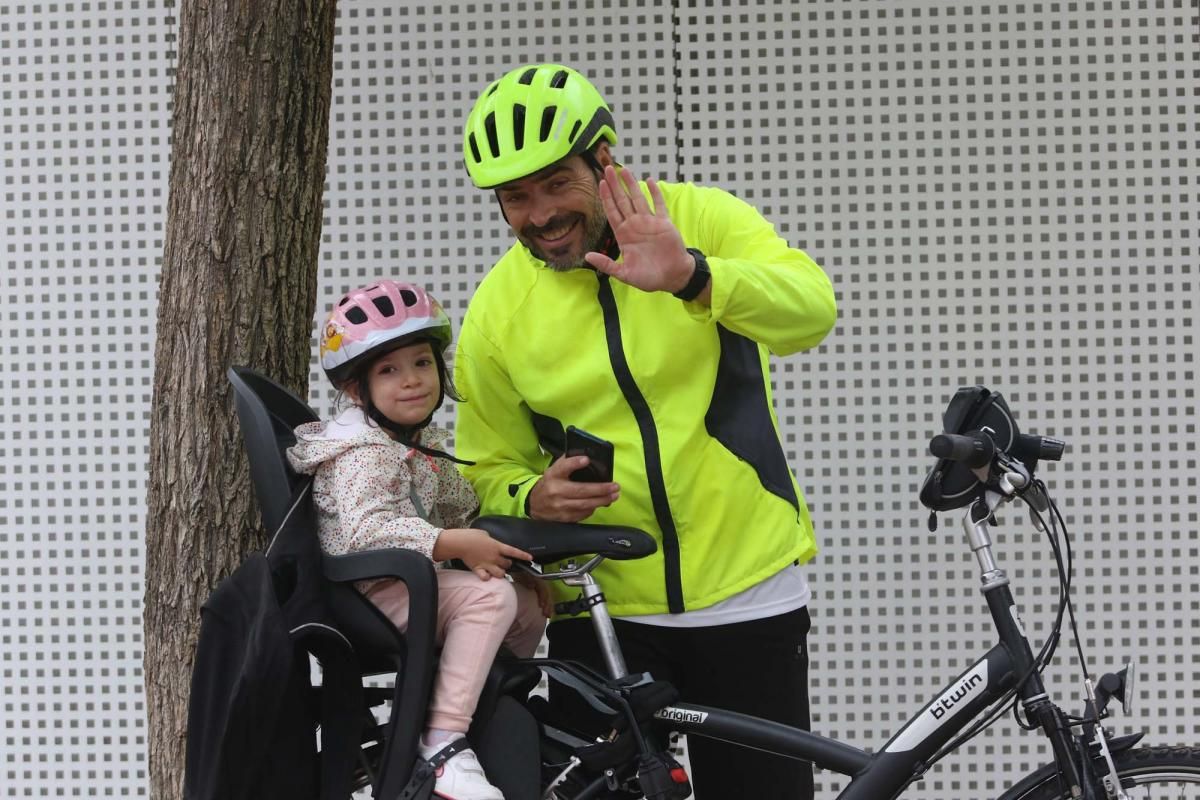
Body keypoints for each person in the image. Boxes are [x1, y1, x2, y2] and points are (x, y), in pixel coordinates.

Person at [452, 64, 837, 799]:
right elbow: (482, 466)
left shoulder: (704, 218)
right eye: (514, 197)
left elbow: (811, 311)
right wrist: (531, 496)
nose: (538, 215)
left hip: (748, 591)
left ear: (604, 160)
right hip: (599, 610)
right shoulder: (498, 310)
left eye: (555, 183)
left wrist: (695, 276)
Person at [287, 279, 552, 800]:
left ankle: (482, 709)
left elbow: (463, 505)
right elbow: (367, 531)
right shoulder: (364, 450)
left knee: (527, 604)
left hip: (410, 584)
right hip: (368, 592)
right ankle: (443, 740)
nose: (411, 381)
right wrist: (455, 545)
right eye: (389, 370)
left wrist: (506, 556)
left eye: (422, 363)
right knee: (489, 597)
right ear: (356, 390)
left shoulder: (418, 445)